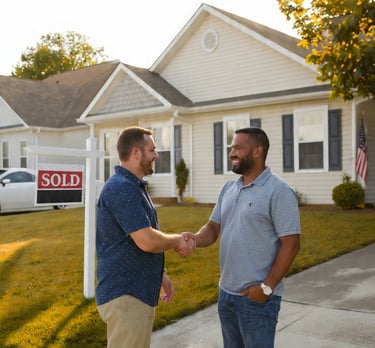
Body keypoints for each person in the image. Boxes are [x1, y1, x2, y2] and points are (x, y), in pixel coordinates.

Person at [184, 127, 300, 348]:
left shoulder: (279, 191)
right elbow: (213, 227)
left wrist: (266, 288)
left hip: (256, 300)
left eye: (237, 147)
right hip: (226, 294)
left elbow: (291, 245)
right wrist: (196, 239)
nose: (231, 153)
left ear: (258, 150)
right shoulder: (230, 187)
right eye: (231, 147)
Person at [95, 126, 194, 348]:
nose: (156, 155)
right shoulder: (122, 188)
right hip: (126, 294)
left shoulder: (133, 186)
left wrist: (161, 275)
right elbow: (147, 240)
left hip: (136, 291)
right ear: (136, 153)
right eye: (152, 150)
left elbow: (137, 240)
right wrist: (178, 240)